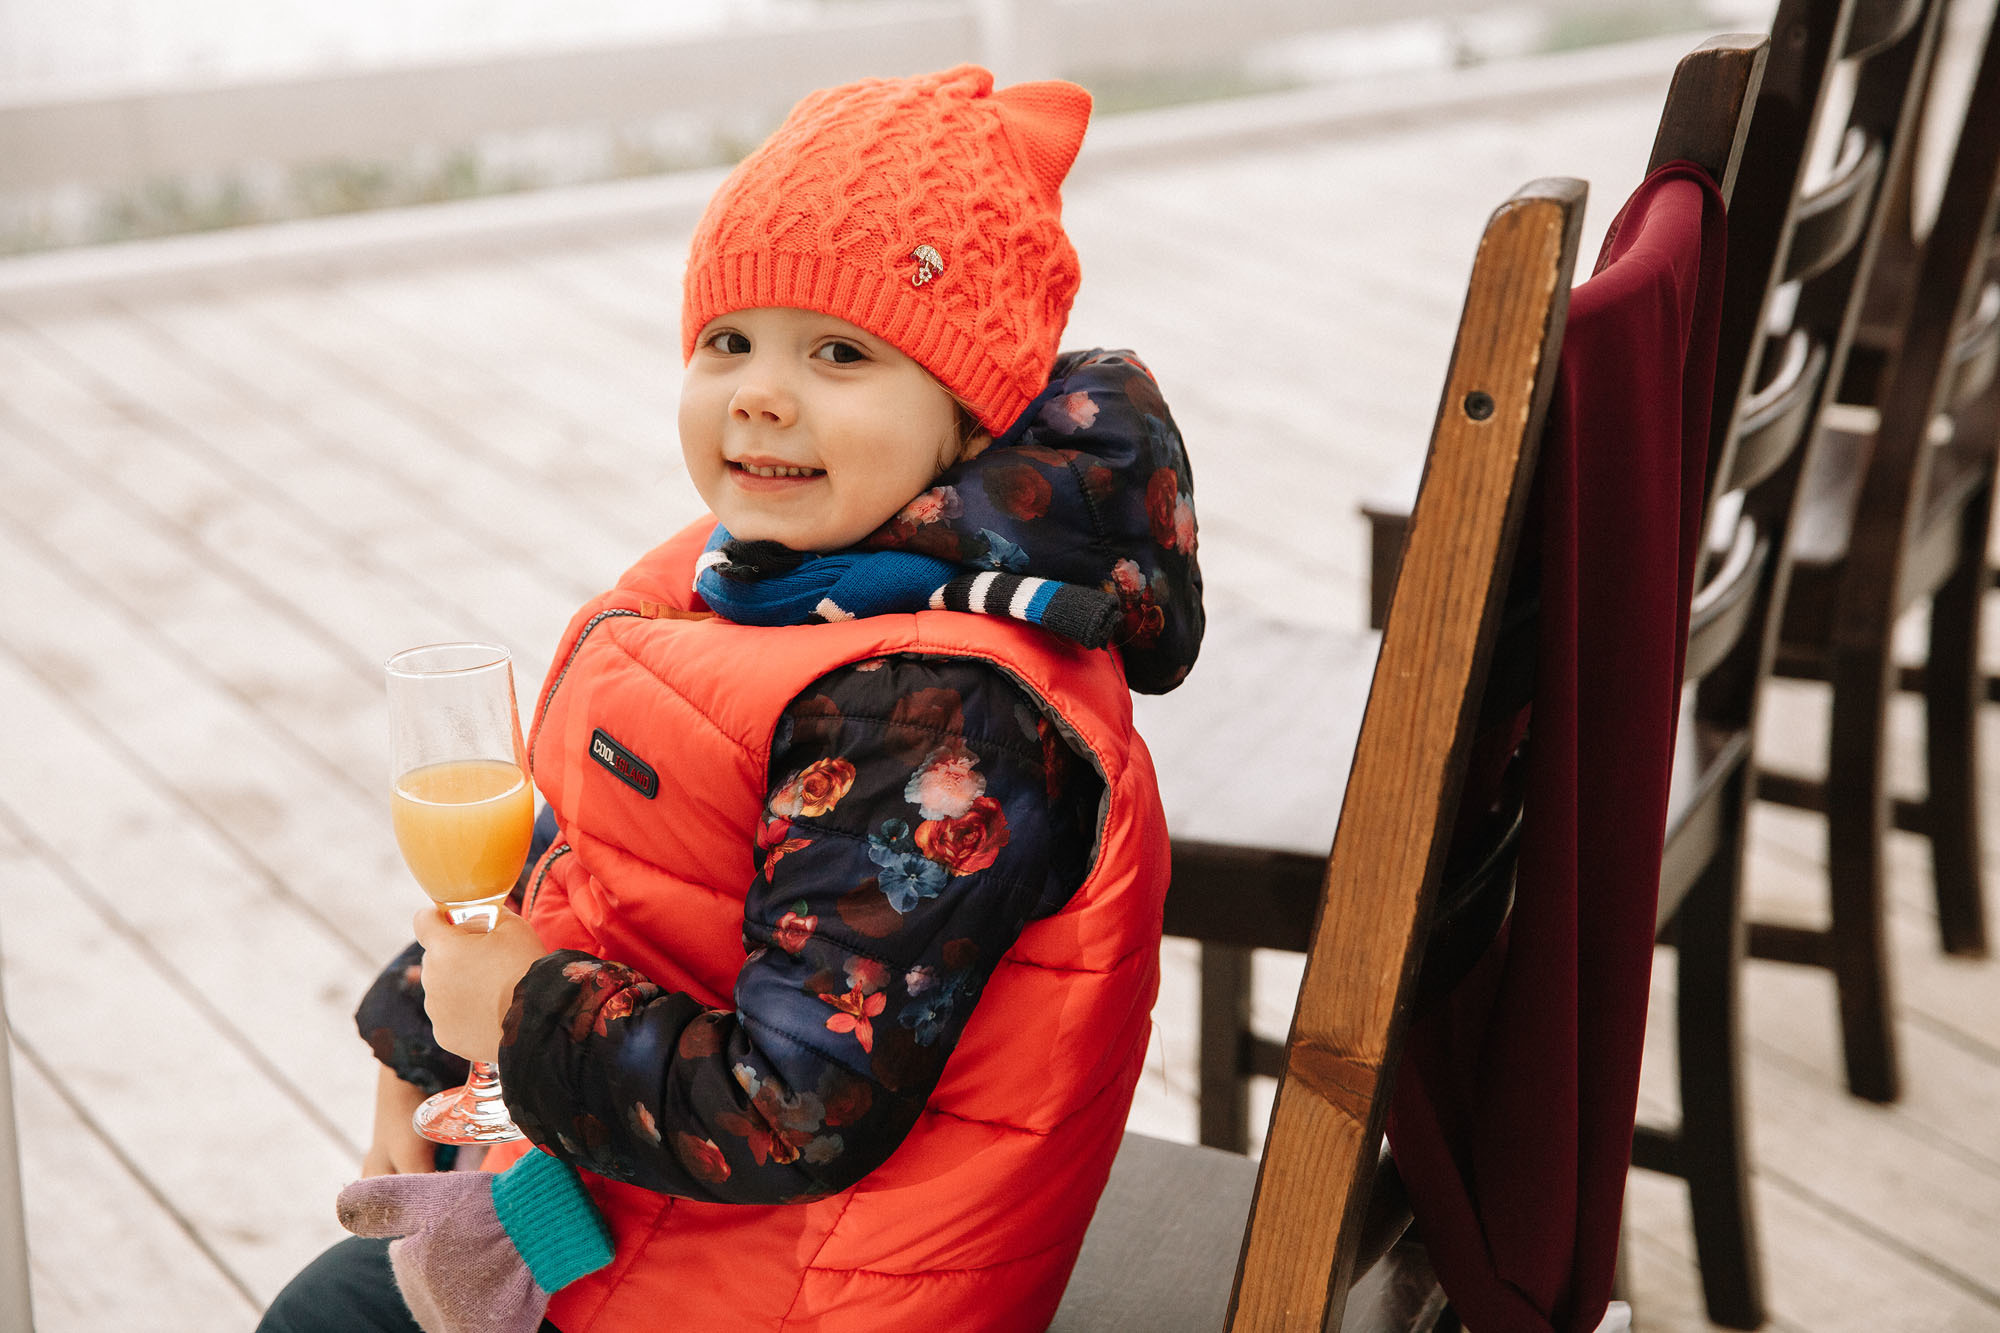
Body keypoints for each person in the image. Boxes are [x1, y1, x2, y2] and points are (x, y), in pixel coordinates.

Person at [259, 62, 1202, 1333]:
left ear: (968, 420)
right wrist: (422, 1022)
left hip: (799, 1289)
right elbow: (599, 848)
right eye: (727, 341)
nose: (761, 389)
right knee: (334, 1300)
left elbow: (792, 1104)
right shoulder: (768, 582)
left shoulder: (941, 718)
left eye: (839, 351)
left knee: (328, 1321)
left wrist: (520, 1013)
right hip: (638, 1211)